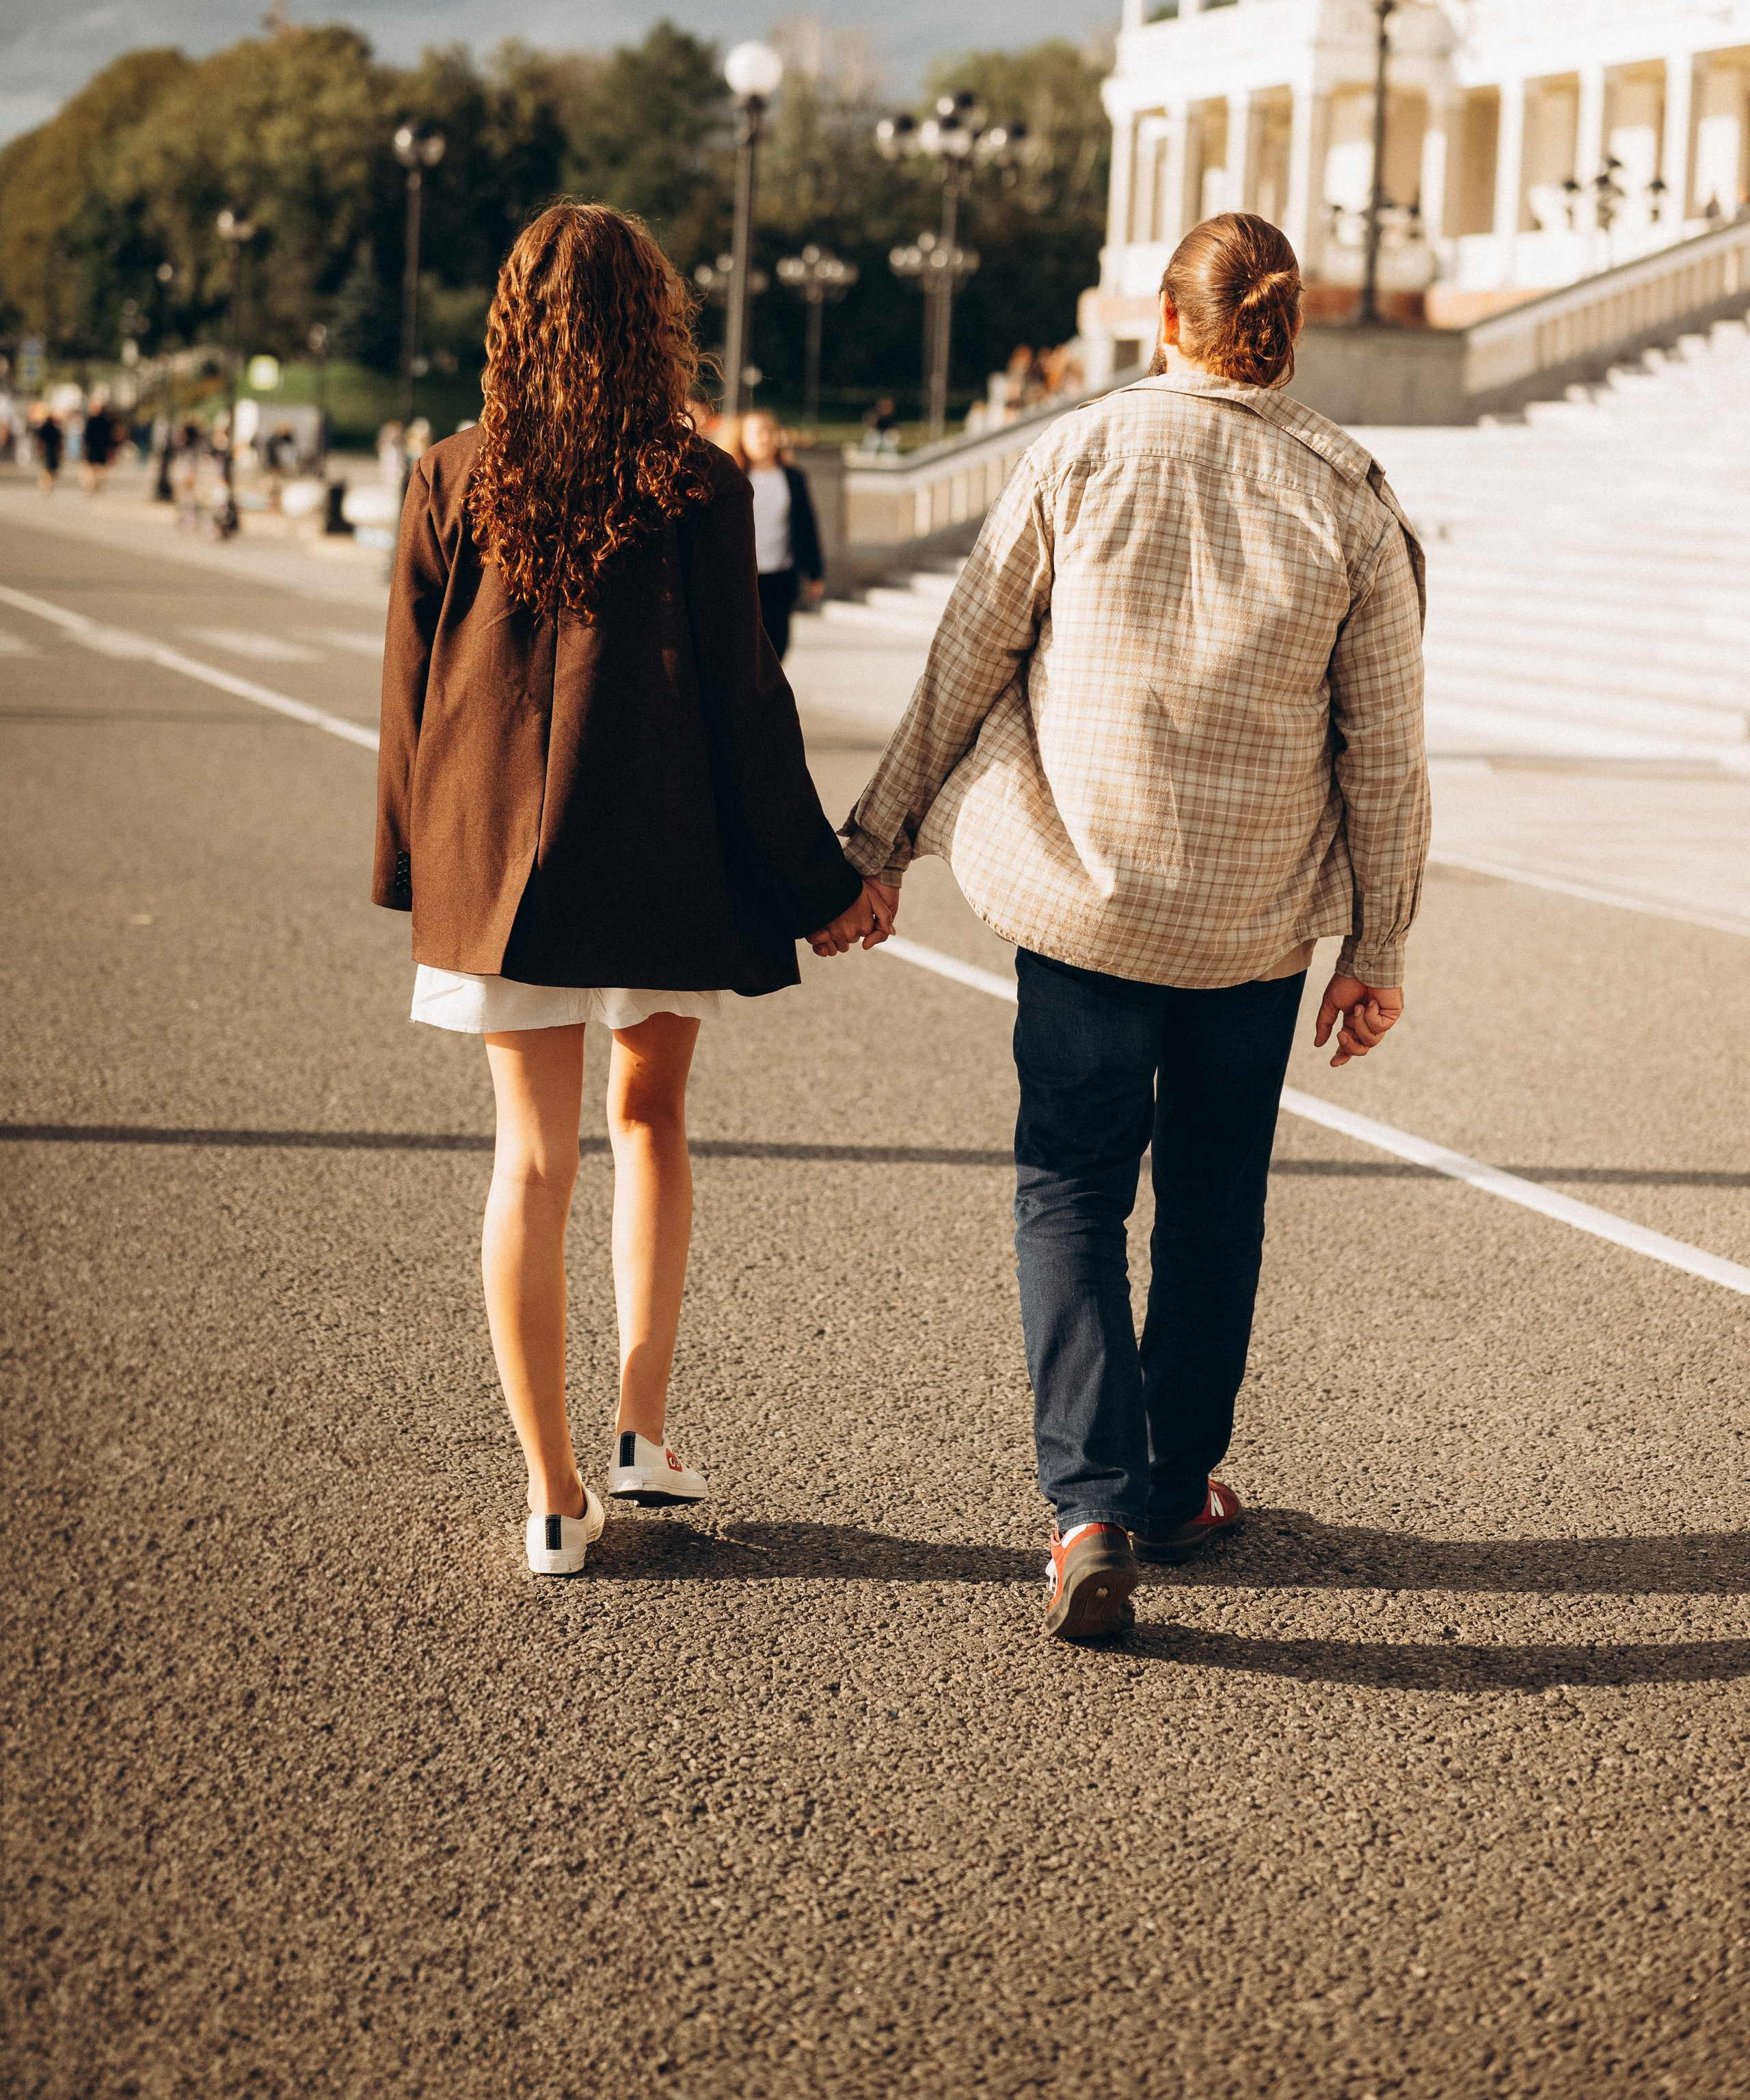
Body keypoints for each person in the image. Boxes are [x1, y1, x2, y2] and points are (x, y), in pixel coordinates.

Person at [840, 213, 1429, 1643]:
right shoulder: (1346, 494)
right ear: (1282, 334)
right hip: (1246, 928)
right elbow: (1386, 752)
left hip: (1084, 901)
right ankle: (1171, 1490)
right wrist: (1379, 945)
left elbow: (966, 654)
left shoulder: (1078, 451)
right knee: (1215, 1201)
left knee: (1071, 1187)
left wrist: (877, 844)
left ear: (1166, 322)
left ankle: (1087, 1510)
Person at [375, 202, 887, 1579]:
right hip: (657, 850)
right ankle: (637, 1429)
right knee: (651, 1115)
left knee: (528, 1159)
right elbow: (742, 699)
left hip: (493, 855)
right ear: (649, 322)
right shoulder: (699, 481)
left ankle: (551, 1497)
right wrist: (820, 881)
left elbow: (411, 694)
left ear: (514, 321)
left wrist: (411, 869)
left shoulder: (448, 473)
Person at [716, 408, 825, 659]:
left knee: (778, 647)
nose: (764, 438)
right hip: (742, 578)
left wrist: (815, 572)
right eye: (757, 432)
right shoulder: (733, 479)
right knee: (743, 649)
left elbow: (807, 526)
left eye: (769, 431)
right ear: (742, 438)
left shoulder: (793, 478)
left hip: (780, 576)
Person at [32, 405, 63, 495]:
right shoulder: (50, 428)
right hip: (49, 451)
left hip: (49, 451)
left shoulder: (49, 428)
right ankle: (45, 484)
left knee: (50, 470)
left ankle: (46, 484)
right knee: (49, 469)